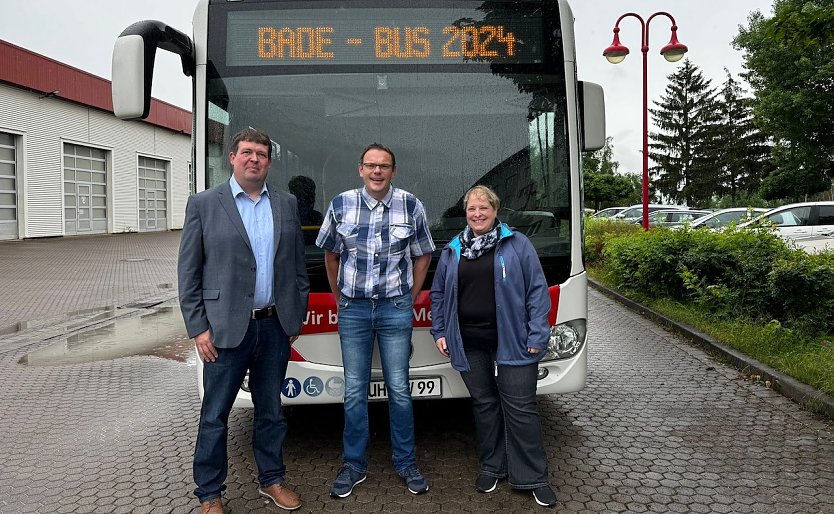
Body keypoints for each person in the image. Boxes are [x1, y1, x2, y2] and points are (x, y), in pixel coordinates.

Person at [178, 128, 310, 514]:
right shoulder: (204, 204)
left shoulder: (285, 204)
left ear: (269, 162)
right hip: (223, 330)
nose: (255, 159)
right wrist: (198, 327)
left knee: (271, 410)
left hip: (274, 327)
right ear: (232, 158)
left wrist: (294, 317)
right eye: (247, 152)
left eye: (262, 154)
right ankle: (209, 493)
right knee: (216, 415)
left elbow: (297, 268)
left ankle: (272, 480)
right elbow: (189, 272)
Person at [316, 143, 435, 498]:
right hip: (353, 309)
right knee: (354, 390)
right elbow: (330, 255)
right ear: (360, 169)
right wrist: (340, 299)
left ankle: (406, 462)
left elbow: (423, 255)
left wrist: (409, 298)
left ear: (393, 171)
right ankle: (353, 465)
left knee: (399, 388)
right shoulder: (340, 204)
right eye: (371, 165)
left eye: (384, 166)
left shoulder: (411, 205)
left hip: (393, 308)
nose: (377, 171)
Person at [429, 185, 558, 508]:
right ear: (466, 213)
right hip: (469, 342)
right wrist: (440, 330)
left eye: (483, 208)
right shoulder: (454, 249)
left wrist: (537, 335)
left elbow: (537, 293)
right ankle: (492, 466)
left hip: (514, 340)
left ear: (496, 211)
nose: (477, 214)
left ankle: (534, 477)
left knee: (521, 408)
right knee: (484, 405)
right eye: (472, 209)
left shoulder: (517, 245)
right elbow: (439, 294)